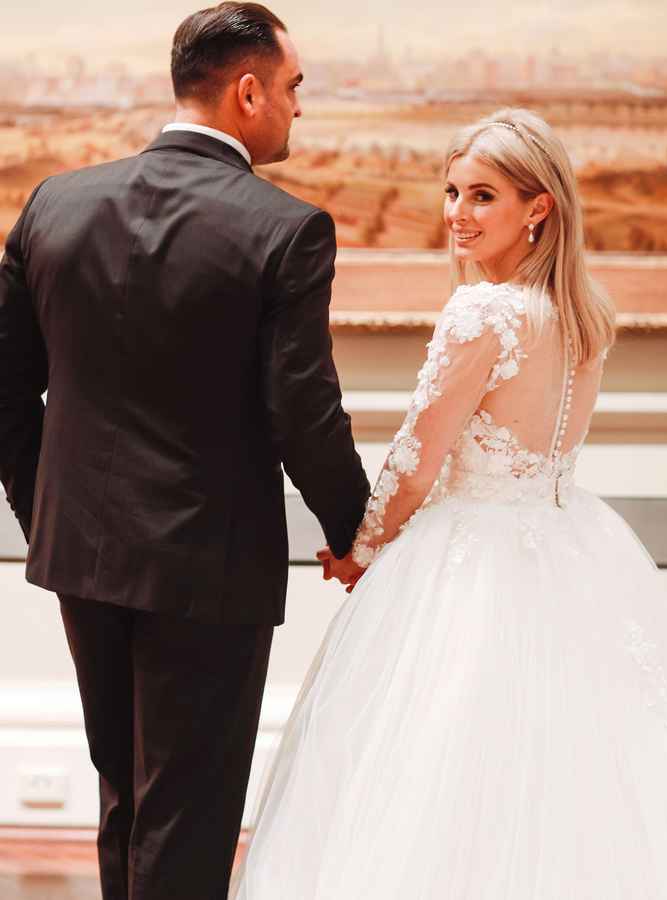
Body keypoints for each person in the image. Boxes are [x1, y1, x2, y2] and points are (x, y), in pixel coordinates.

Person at [233, 108, 667, 898]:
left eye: (482, 197)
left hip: (471, 563)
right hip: (569, 548)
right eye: (451, 192)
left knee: (442, 773)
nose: (456, 215)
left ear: (537, 208)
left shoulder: (484, 312)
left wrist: (360, 549)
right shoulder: (585, 317)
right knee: (578, 772)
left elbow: (416, 457)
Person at [0, 4, 369, 899]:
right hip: (208, 569)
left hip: (81, 557)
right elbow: (303, 412)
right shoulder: (285, 229)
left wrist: (44, 512)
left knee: (124, 802)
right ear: (247, 93)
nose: (295, 109)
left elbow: (8, 388)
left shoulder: (58, 201)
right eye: (291, 89)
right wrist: (360, 529)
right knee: (187, 821)